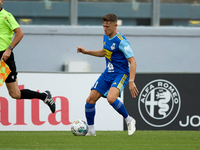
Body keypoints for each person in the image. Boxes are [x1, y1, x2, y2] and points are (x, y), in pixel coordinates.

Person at [77, 13, 139, 136]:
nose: (105, 29)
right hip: (107, 73)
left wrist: (131, 81)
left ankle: (129, 120)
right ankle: (91, 130)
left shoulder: (122, 42)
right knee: (90, 99)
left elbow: (133, 61)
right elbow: (105, 52)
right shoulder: (105, 37)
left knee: (111, 98)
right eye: (103, 26)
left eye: (108, 27)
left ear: (115, 25)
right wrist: (86, 52)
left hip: (121, 74)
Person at [0, 0, 55, 113]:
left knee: (15, 94)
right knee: (15, 94)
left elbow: (19, 33)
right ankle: (44, 96)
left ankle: (44, 96)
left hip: (4, 58)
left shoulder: (6, 16)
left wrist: (9, 49)